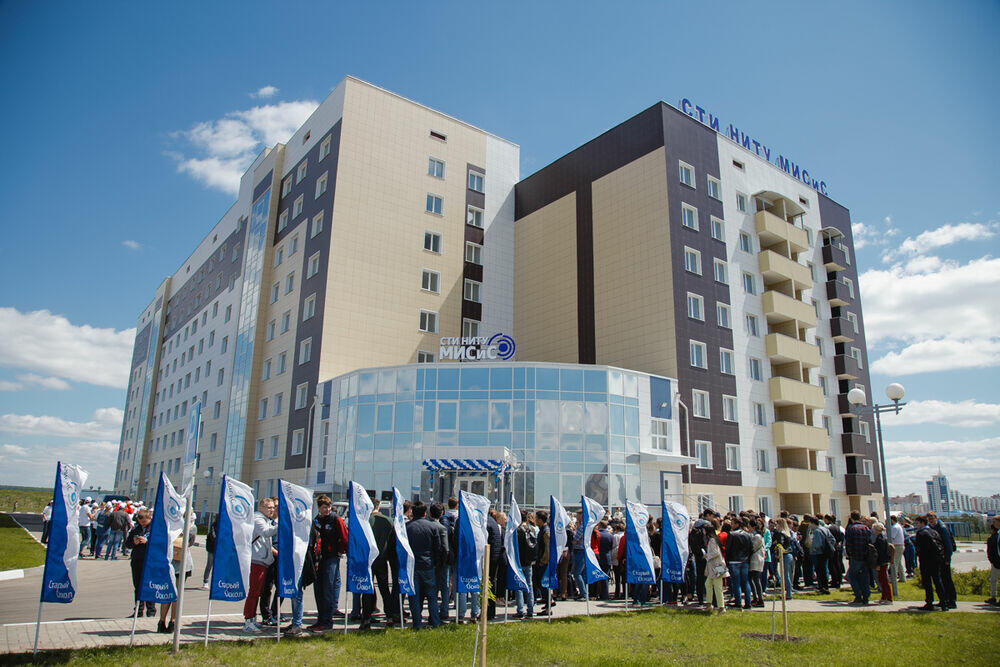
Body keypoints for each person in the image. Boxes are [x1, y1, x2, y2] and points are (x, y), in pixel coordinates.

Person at [308, 495, 348, 633]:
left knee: (327, 590)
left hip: (331, 559)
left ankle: (327, 622)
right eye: (324, 507)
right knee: (318, 590)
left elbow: (345, 537)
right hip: (318, 559)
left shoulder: (336, 519)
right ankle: (320, 620)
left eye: (329, 507)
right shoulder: (316, 520)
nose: (327, 510)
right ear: (319, 508)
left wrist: (342, 552)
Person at [405, 501, 445, 629]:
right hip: (428, 564)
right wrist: (436, 563)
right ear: (425, 513)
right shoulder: (432, 527)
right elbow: (438, 548)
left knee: (414, 596)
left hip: (412, 565)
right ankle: (435, 621)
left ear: (413, 512)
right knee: (432, 596)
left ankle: (417, 623)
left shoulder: (406, 527)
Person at [243, 497, 279, 634]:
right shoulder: (258, 519)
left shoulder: (265, 520)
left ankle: (252, 619)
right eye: (269, 507)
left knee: (257, 592)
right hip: (257, 560)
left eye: (273, 507)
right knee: (253, 592)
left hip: (263, 560)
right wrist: (281, 525)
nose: (272, 510)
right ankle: (248, 620)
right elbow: (266, 532)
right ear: (261, 508)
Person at [126, 509, 156, 619]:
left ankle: (151, 610)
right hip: (137, 560)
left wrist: (147, 542)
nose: (143, 523)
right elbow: (127, 544)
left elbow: (159, 544)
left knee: (150, 585)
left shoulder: (154, 528)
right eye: (140, 521)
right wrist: (134, 542)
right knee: (138, 586)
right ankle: (138, 610)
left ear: (149, 518)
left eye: (145, 521)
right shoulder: (135, 529)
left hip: (149, 560)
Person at [914, 514, 947, 611]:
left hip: (926, 560)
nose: (917, 525)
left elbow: (919, 548)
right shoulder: (934, 531)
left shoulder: (921, 533)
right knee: (938, 581)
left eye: (917, 523)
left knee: (927, 582)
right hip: (936, 560)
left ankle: (929, 602)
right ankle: (943, 602)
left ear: (922, 523)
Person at [927, 512, 957, 609]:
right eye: (929, 519)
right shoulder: (933, 527)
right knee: (942, 579)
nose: (931, 521)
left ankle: (952, 600)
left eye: (932, 518)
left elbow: (947, 544)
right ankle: (944, 599)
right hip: (939, 556)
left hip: (944, 556)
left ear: (936, 518)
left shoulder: (942, 527)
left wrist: (947, 558)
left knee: (946, 579)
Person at [844, 511, 873, 605]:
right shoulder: (866, 528)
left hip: (855, 556)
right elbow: (870, 541)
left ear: (851, 518)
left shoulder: (851, 529)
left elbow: (848, 543)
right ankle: (866, 596)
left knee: (852, 576)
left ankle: (858, 595)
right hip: (865, 556)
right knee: (865, 577)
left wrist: (849, 553)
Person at [724, 518, 752, 610]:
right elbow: (751, 548)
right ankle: (748, 602)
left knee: (736, 582)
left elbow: (728, 548)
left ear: (737, 524)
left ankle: (738, 602)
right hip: (744, 560)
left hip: (734, 560)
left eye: (732, 524)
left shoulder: (732, 534)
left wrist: (727, 560)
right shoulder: (747, 535)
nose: (731, 526)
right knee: (745, 581)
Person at [515, 512, 537, 618]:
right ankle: (530, 609)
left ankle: (520, 610)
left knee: (519, 586)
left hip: (519, 560)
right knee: (529, 585)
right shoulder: (532, 529)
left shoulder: (517, 530)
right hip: (529, 560)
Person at [703, 520, 727, 614]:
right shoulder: (713, 539)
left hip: (717, 566)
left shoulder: (712, 540)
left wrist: (707, 555)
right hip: (715, 566)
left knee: (718, 587)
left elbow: (715, 552)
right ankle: (709, 604)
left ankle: (721, 607)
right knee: (708, 584)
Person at [808, 516, 834, 595]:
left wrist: (813, 549)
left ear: (812, 523)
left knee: (820, 571)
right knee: (824, 570)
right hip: (825, 552)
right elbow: (833, 539)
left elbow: (817, 544)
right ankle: (825, 587)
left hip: (818, 553)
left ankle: (823, 587)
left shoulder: (816, 531)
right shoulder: (825, 529)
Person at [534, 510, 551, 612]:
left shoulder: (546, 531)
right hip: (540, 560)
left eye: (536, 518)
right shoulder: (542, 529)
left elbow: (547, 548)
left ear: (540, 520)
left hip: (543, 562)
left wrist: (543, 561)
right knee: (539, 582)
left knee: (542, 583)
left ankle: (548, 605)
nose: (535, 520)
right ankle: (548, 601)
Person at [872, 522, 893, 604]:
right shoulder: (882, 538)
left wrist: (878, 564)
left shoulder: (880, 540)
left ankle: (889, 598)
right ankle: (884, 597)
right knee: (881, 579)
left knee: (884, 580)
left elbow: (880, 553)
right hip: (884, 562)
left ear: (876, 530)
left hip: (882, 563)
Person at [748, 521, 766, 607]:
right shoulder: (755, 535)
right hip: (755, 560)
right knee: (752, 579)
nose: (748, 529)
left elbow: (753, 548)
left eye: (749, 527)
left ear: (753, 527)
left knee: (756, 580)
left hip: (756, 560)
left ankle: (760, 599)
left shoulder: (757, 536)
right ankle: (755, 597)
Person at [888, 515, 905, 596]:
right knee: (899, 563)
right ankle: (902, 577)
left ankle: (893, 578)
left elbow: (892, 537)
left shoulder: (895, 527)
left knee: (894, 562)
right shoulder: (898, 526)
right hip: (900, 545)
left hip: (897, 546)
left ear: (892, 520)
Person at [986, 515, 1000, 606]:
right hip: (996, 561)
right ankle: (993, 597)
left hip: (997, 560)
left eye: (995, 522)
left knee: (994, 579)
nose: (993, 524)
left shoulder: (996, 535)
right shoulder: (997, 534)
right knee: (993, 580)